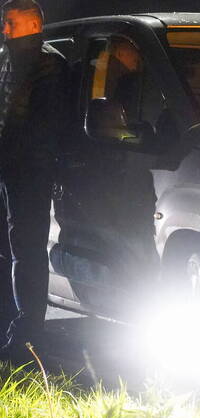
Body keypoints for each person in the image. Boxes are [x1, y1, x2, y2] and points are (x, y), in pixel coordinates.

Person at [0, 0, 66, 364]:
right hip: (14, 168)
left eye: (10, 22)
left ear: (31, 24)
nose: (5, 29)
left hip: (29, 171)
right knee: (15, 251)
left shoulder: (48, 64)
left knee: (26, 252)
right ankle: (18, 330)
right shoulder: (9, 59)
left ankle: (28, 336)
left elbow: (44, 126)